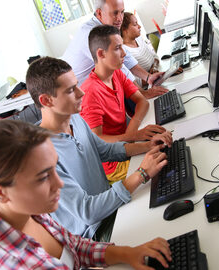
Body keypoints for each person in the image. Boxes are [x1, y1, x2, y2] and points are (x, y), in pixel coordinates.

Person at [0, 120, 172, 269]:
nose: (59, 183)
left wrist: (127, 253)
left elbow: (75, 247)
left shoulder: (30, 210)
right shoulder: (3, 261)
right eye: (43, 177)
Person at [26, 56, 172, 242]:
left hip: (109, 206)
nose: (81, 93)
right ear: (46, 100)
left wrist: (148, 145)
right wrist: (142, 173)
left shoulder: (75, 119)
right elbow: (88, 212)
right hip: (93, 235)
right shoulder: (40, 155)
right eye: (71, 90)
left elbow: (105, 150)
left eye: (77, 85)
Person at [80, 25, 166, 184]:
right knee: (165, 164)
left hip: (127, 145)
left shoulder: (116, 72)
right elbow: (98, 141)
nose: (124, 53)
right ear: (101, 53)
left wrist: (133, 133)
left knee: (168, 145)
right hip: (114, 163)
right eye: (118, 48)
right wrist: (133, 136)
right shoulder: (90, 93)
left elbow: (142, 101)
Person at [62, 0, 168, 99]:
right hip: (74, 96)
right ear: (99, 13)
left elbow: (126, 57)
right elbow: (118, 67)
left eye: (122, 12)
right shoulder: (91, 34)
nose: (120, 18)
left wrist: (148, 77)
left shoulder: (108, 27)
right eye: (115, 13)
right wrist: (141, 93)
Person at [121, 12, 183, 86]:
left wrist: (154, 67)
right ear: (124, 30)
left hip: (157, 73)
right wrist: (166, 75)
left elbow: (154, 56)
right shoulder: (124, 51)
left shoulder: (139, 39)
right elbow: (136, 82)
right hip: (150, 85)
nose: (139, 26)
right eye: (135, 24)